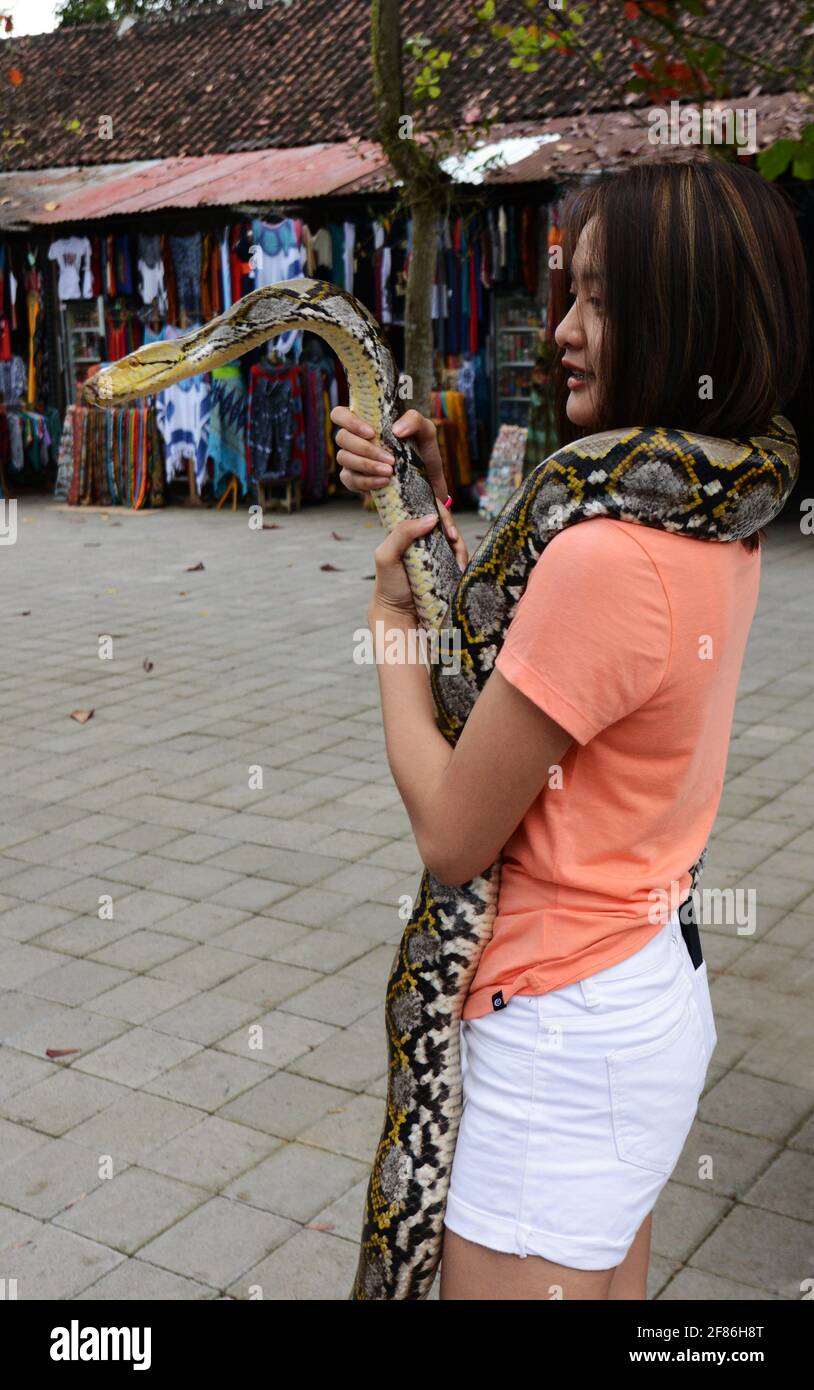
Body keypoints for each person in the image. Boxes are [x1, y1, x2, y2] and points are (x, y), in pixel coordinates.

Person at [330, 157, 809, 1301]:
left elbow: (454, 831)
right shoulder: (722, 517)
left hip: (555, 1034)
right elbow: (548, 656)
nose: (562, 331)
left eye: (599, 298)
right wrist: (430, 509)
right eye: (568, 294)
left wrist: (393, 621)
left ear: (679, 314)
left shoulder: (604, 552)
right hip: (640, 987)